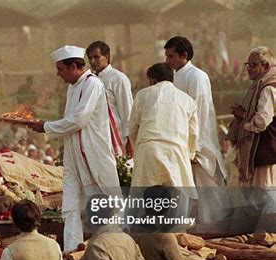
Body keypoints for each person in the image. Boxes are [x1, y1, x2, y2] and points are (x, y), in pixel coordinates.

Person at [28, 45, 121, 251]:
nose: (58, 74)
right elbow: (70, 122)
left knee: (108, 204)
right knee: (70, 207)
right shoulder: (72, 88)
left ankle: (116, 247)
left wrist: (45, 126)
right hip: (73, 155)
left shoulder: (93, 84)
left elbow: (78, 120)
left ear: (73, 67)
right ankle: (72, 252)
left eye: (61, 69)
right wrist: (44, 125)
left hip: (94, 153)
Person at [165, 36, 230, 222]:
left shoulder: (197, 76)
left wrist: (194, 147)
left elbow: (199, 113)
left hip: (199, 142)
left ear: (184, 55)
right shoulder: (174, 76)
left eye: (171, 56)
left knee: (207, 188)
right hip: (181, 141)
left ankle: (217, 227)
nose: (167, 61)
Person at [128, 63, 198, 200]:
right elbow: (193, 132)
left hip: (148, 149)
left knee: (143, 195)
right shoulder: (187, 100)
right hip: (176, 150)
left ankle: (145, 221)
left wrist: (138, 148)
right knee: (179, 196)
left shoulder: (142, 95)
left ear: (152, 79)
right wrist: (190, 154)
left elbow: (132, 129)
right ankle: (179, 221)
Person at [227, 47, 276, 213]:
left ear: (265, 66)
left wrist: (244, 120)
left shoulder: (268, 87)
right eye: (247, 64)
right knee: (257, 194)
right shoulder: (260, 85)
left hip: (266, 148)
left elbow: (262, 121)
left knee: (266, 192)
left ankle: (270, 232)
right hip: (260, 149)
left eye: (253, 65)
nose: (248, 68)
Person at [86, 41, 133, 157]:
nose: (92, 61)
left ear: (106, 57)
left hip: (117, 137)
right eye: (90, 58)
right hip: (97, 137)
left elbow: (128, 111)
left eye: (96, 57)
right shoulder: (89, 80)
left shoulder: (118, 78)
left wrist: (130, 140)